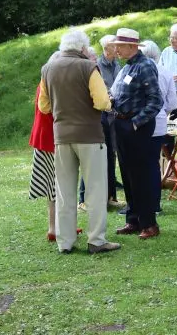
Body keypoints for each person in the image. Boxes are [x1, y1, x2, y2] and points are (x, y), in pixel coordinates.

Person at [39, 28, 120, 255]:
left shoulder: (48, 69)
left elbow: (43, 107)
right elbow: (103, 102)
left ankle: (65, 241)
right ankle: (96, 240)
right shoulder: (87, 67)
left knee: (64, 191)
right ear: (82, 48)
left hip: (61, 137)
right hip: (89, 136)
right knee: (95, 188)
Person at [111, 28, 164, 240]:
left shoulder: (146, 66)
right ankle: (133, 220)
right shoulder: (127, 68)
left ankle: (149, 223)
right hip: (121, 124)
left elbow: (156, 101)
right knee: (127, 174)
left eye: (119, 46)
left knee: (140, 176)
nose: (116, 50)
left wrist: (135, 123)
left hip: (136, 127)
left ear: (132, 46)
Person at [28, 82, 83, 242]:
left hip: (43, 137)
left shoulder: (45, 80)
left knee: (53, 185)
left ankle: (54, 227)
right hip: (53, 138)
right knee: (62, 184)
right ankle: (62, 227)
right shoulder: (56, 82)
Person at [79, 35, 125, 212]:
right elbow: (100, 91)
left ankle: (111, 196)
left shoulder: (116, 64)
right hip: (100, 116)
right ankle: (84, 198)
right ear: (108, 48)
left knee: (111, 156)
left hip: (114, 116)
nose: (119, 48)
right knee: (94, 158)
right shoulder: (96, 66)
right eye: (116, 46)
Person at [140, 40, 177, 214]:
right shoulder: (165, 72)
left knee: (138, 165)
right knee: (153, 164)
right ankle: (154, 205)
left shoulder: (137, 70)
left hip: (140, 123)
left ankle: (140, 204)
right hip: (160, 121)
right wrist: (162, 112)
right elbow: (172, 103)